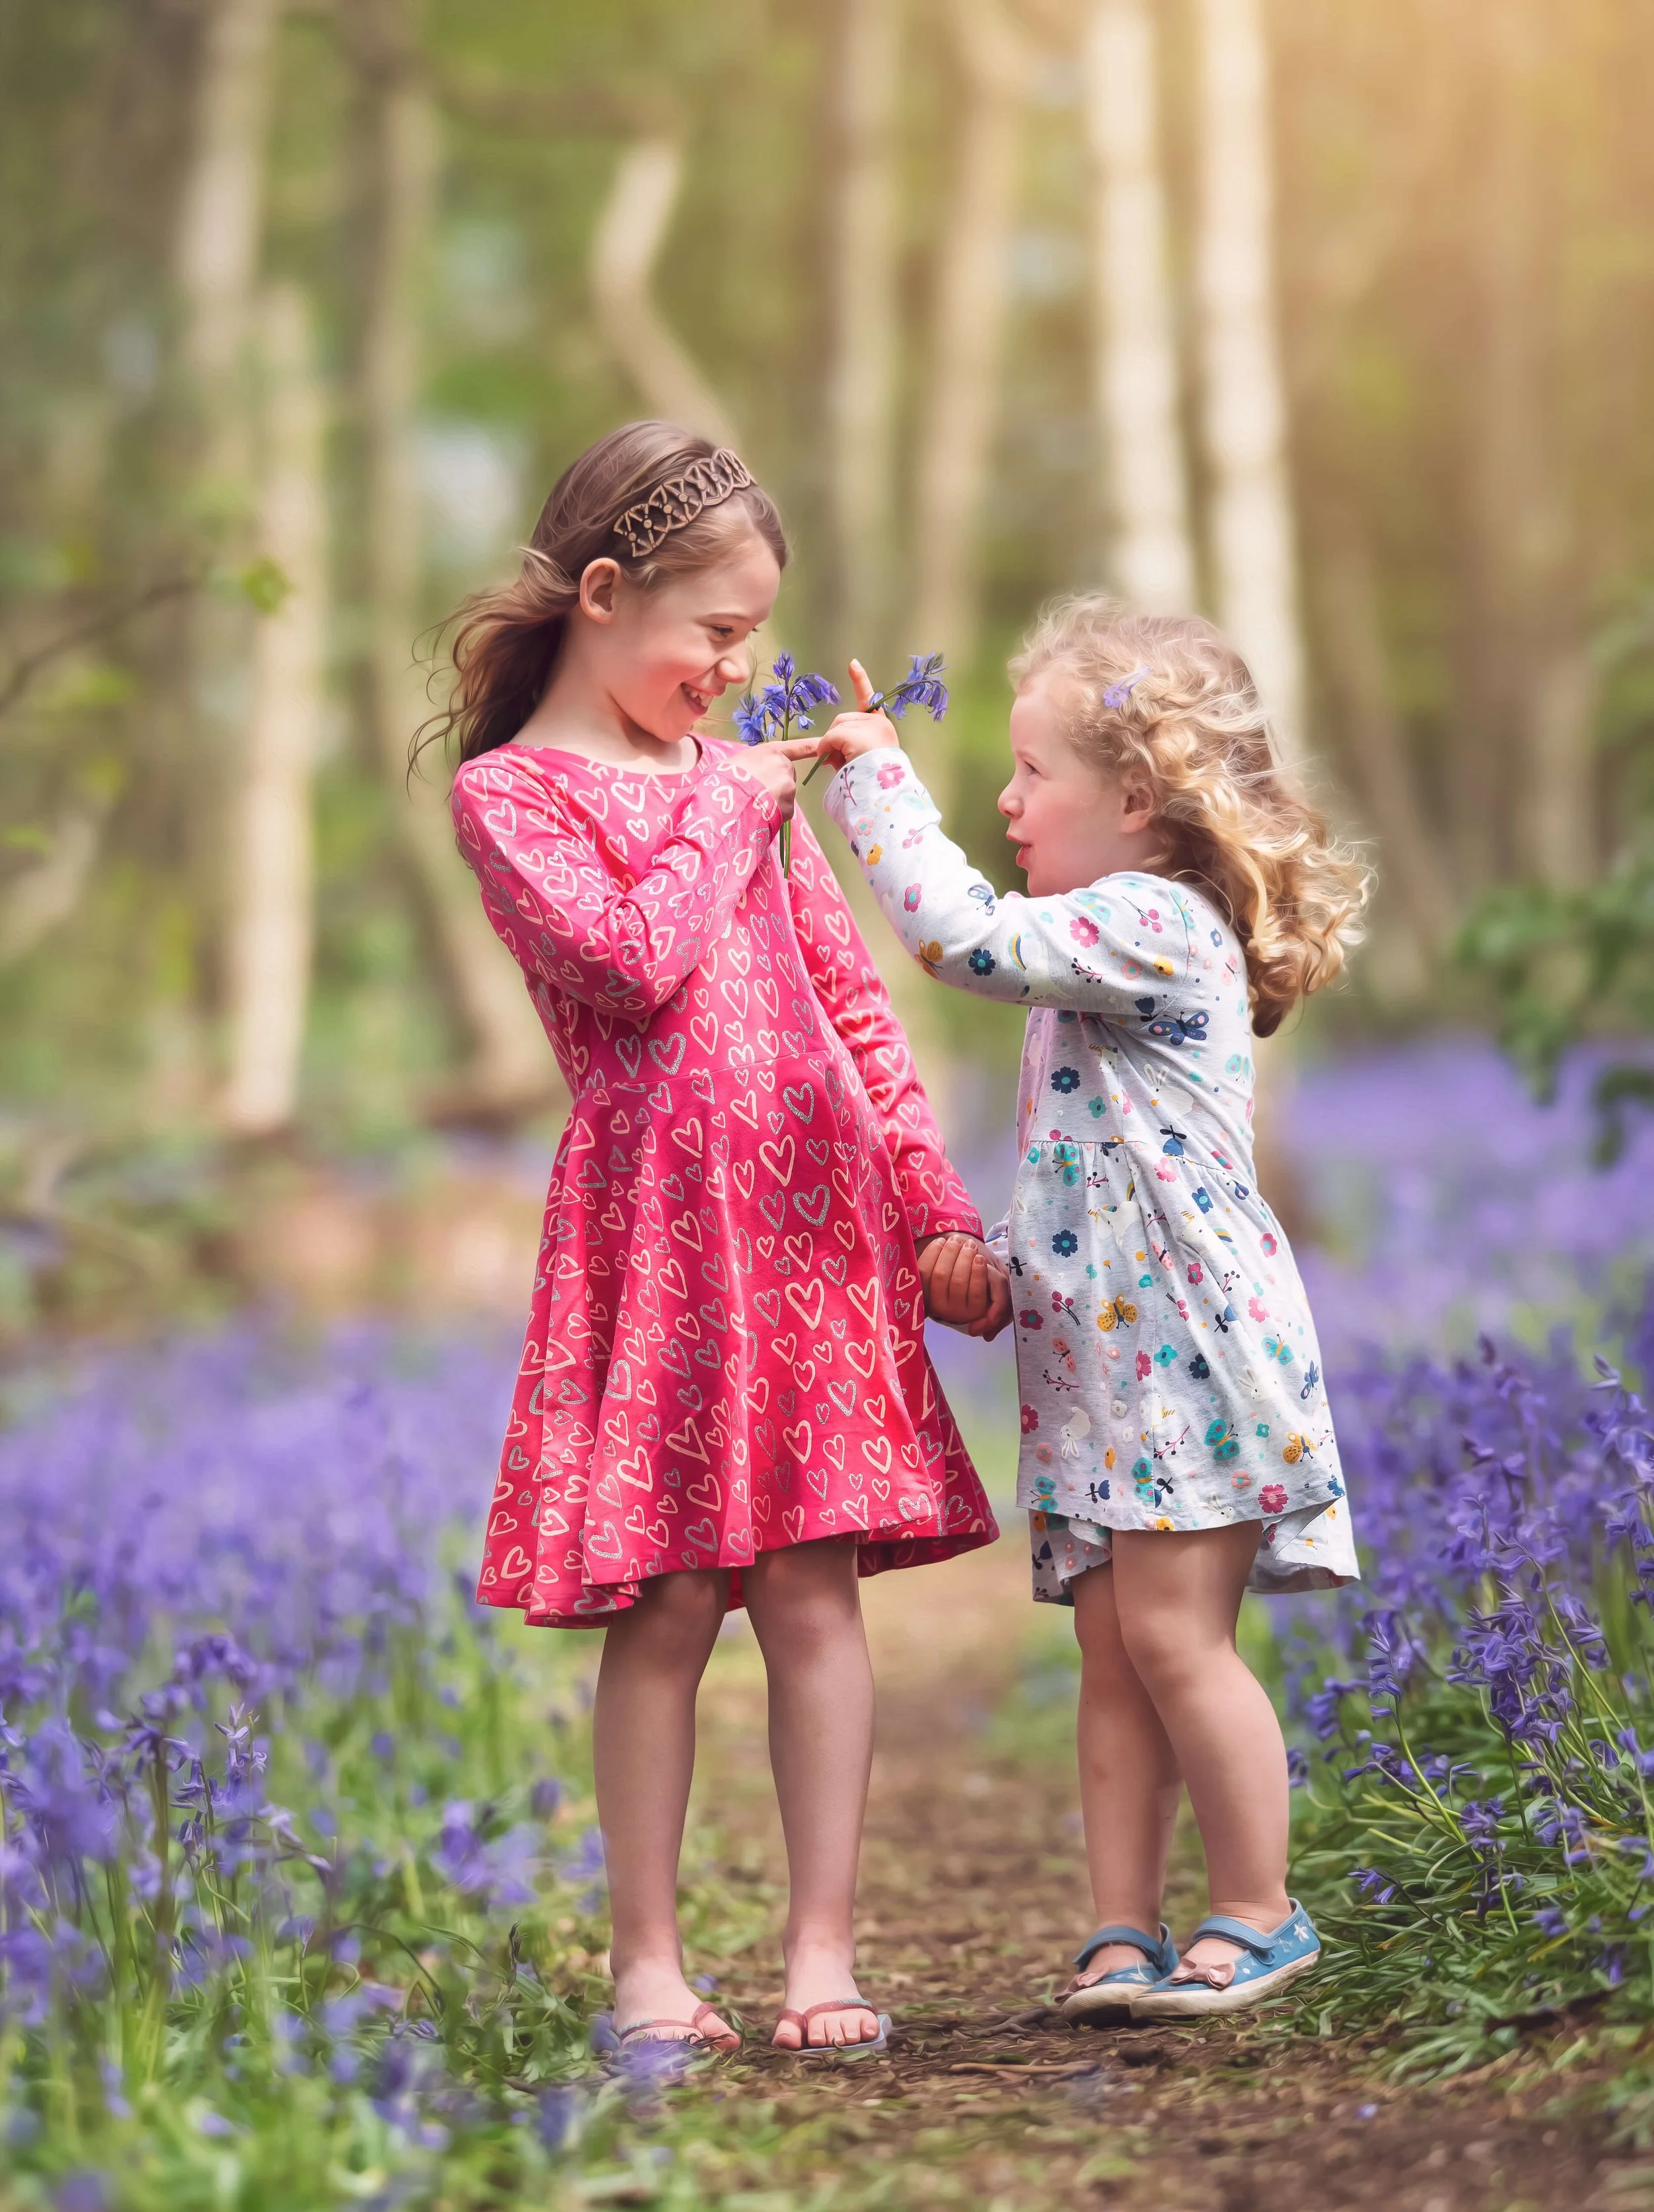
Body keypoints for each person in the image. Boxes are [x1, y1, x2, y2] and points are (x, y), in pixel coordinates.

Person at [430, 422, 1006, 2061]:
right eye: (715, 636)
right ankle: (648, 1967)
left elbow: (853, 1009)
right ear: (602, 596)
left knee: (813, 1589)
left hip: (814, 1226)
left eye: (750, 642)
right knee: (671, 1604)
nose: (733, 672)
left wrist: (929, 1206)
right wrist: (736, 801)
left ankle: (821, 1955)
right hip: (666, 1244)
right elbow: (628, 962)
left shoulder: (728, 784)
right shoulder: (514, 798)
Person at [789, 597, 1368, 2021]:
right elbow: (1100, 1172)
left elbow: (958, 940)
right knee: (1112, 1657)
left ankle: (1258, 1909)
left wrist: (872, 776)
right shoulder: (1103, 949)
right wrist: (1000, 1263)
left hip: (1194, 1358)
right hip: (1113, 1361)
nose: (1001, 798)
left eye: (1028, 771)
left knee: (1174, 1643)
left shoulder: (1156, 923)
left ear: (1135, 797)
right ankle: (1121, 1927)